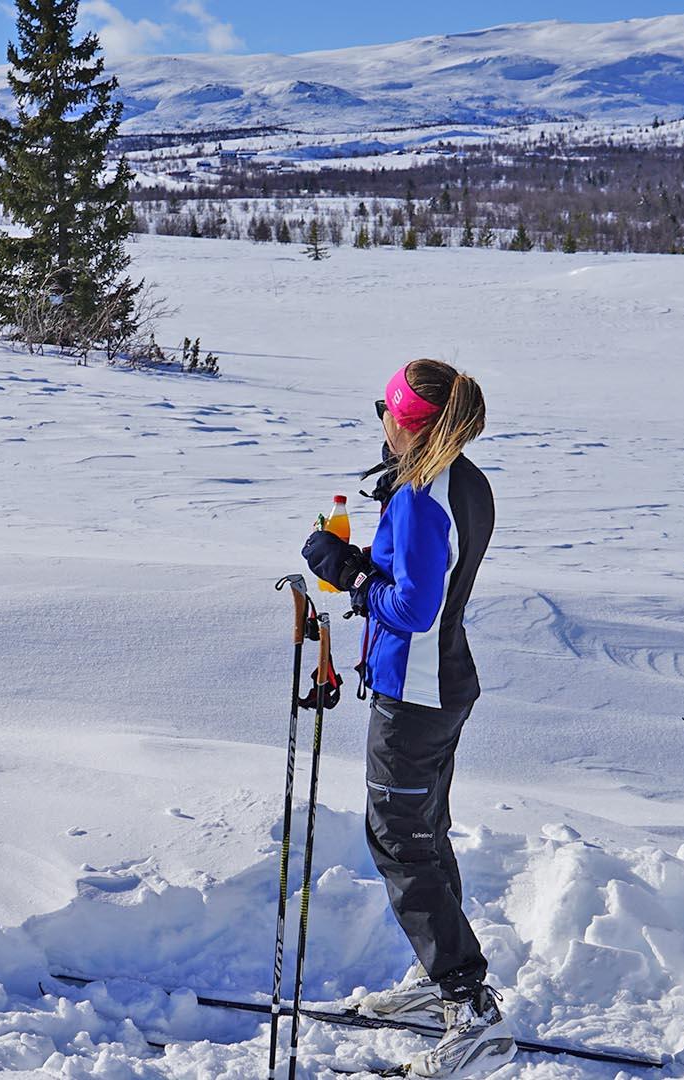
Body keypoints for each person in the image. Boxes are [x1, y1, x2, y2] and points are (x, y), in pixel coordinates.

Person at [302, 358, 508, 1078]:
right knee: (422, 833)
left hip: (416, 693)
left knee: (399, 841)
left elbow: (413, 608)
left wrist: (356, 580)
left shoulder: (424, 494)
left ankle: (467, 1005)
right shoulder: (464, 480)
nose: (380, 422)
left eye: (383, 411)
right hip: (443, 682)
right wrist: (360, 559)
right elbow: (429, 577)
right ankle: (441, 985)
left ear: (407, 424)